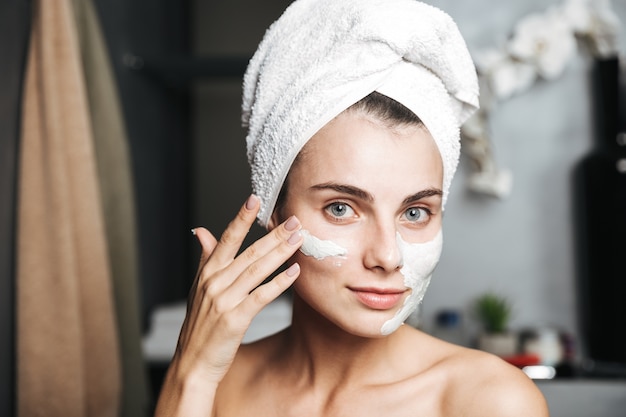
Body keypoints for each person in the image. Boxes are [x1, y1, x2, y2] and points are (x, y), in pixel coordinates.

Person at [155, 0, 550, 415]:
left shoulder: (489, 401)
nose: (387, 256)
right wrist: (192, 371)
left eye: (415, 212)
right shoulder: (216, 386)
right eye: (341, 208)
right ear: (272, 211)